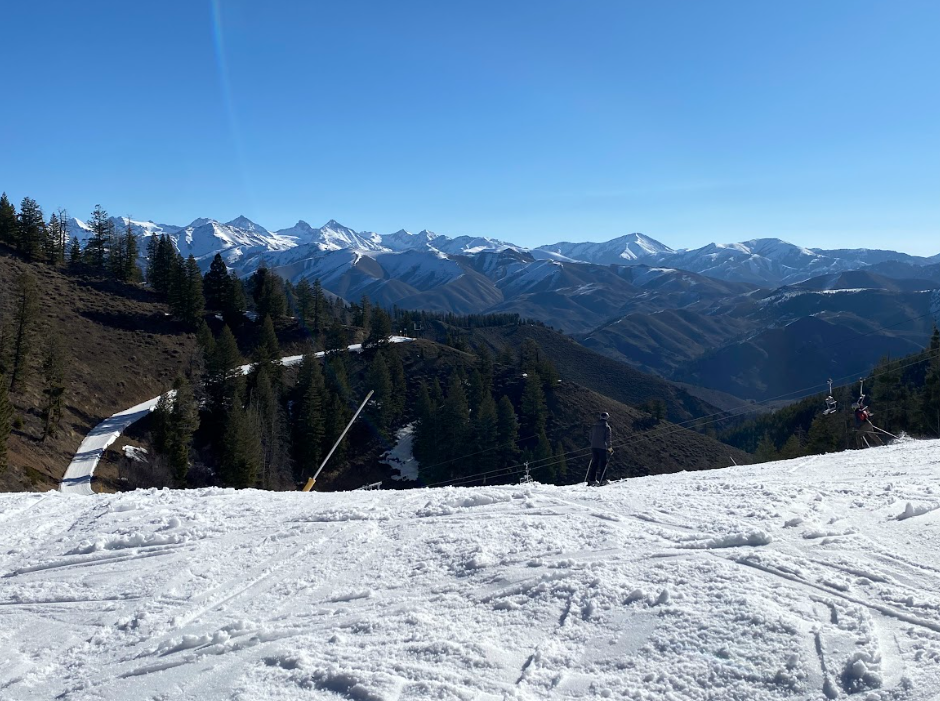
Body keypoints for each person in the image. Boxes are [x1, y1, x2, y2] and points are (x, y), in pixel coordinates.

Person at [586, 412, 612, 485]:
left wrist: (593, 443)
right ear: (607, 418)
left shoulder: (594, 426)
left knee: (595, 463)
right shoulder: (606, 427)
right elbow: (608, 439)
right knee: (603, 463)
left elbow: (590, 437)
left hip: (593, 447)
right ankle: (603, 479)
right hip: (602, 447)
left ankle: (592, 480)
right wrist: (610, 449)